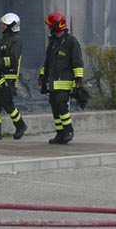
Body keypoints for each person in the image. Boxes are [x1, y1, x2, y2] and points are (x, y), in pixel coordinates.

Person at [37, 11, 85, 145]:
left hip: (65, 81)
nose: (49, 28)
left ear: (57, 26)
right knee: (55, 107)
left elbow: (77, 62)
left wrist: (78, 80)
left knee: (61, 105)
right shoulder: (52, 42)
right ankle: (60, 134)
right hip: (53, 81)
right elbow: (47, 62)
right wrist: (42, 77)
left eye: (50, 25)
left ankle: (68, 130)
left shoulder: (71, 42)